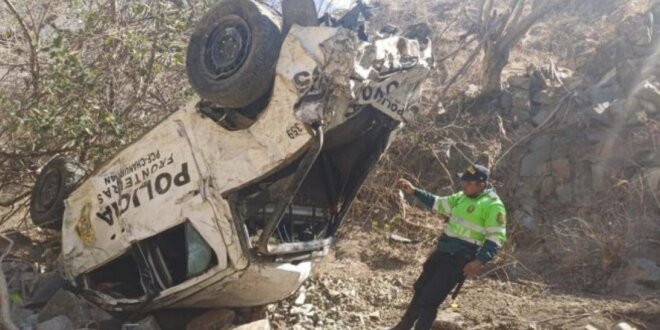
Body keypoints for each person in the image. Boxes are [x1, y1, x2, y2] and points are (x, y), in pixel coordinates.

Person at [391, 164, 507, 330]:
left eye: (468, 183)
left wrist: (479, 261)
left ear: (481, 184)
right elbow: (438, 203)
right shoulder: (462, 196)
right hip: (443, 251)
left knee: (430, 299)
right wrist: (414, 191)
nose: (464, 185)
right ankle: (403, 326)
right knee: (421, 289)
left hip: (460, 258)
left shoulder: (493, 206)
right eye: (464, 181)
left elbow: (495, 238)